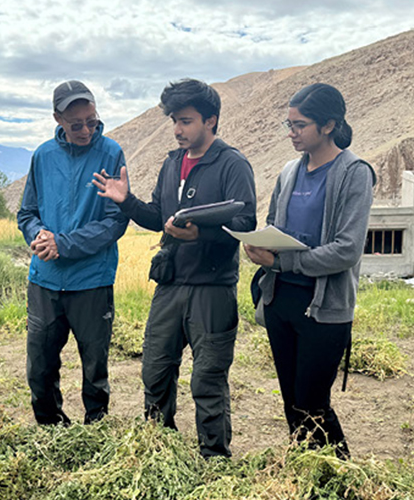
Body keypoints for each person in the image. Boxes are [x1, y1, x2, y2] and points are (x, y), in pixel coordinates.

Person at [91, 78, 256, 458]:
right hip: (169, 286)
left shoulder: (232, 164)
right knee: (156, 371)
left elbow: (246, 224)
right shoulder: (172, 163)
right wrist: (127, 202)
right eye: (174, 122)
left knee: (208, 378)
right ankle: (159, 451)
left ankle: (214, 460)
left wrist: (202, 234)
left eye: (186, 121)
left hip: (212, 289)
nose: (178, 130)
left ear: (210, 120)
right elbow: (159, 217)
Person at [243, 83, 375, 460]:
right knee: (291, 402)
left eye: (299, 125)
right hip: (281, 298)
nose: (292, 133)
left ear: (329, 125)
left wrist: (281, 260)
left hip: (324, 308)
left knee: (313, 402)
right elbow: (272, 222)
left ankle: (342, 477)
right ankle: (304, 470)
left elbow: (346, 250)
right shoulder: (289, 172)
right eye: (289, 124)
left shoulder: (354, 173)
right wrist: (260, 245)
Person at [17, 80, 129, 426]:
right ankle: (50, 428)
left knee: (95, 365)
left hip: (92, 280)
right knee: (40, 364)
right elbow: (27, 213)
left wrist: (62, 244)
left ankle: (95, 427)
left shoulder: (111, 153)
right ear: (58, 119)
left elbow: (115, 222)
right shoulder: (43, 155)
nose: (85, 130)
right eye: (76, 124)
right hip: (45, 281)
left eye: (92, 121)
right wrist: (38, 235)